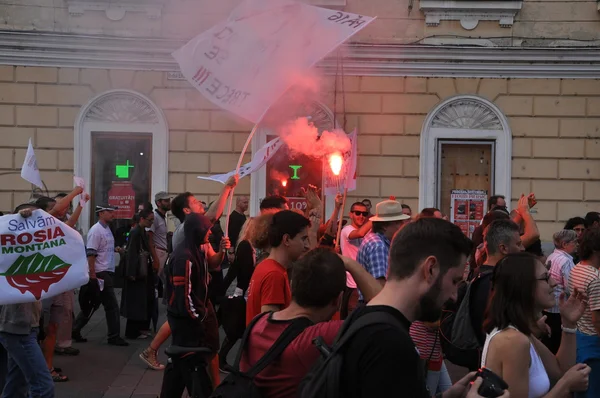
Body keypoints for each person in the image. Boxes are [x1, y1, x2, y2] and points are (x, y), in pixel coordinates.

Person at [337, 217, 501, 398]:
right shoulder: (388, 342)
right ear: (430, 269)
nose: (454, 296)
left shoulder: (366, 320)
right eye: (454, 281)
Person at [239, 248, 382, 398]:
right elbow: (384, 309)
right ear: (338, 300)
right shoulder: (315, 338)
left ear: (292, 284)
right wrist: (349, 263)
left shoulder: (257, 324)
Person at [482, 252, 591, 397]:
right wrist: (565, 385)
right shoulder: (514, 341)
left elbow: (560, 370)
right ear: (523, 286)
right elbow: (563, 377)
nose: (554, 282)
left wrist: (569, 323)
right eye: (545, 278)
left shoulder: (520, 331)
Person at [161, 213, 224, 398]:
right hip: (186, 323)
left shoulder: (196, 250)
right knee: (193, 365)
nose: (210, 232)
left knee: (180, 365)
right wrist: (200, 318)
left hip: (189, 320)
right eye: (207, 229)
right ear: (197, 231)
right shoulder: (184, 258)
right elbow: (184, 298)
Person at [0, 203, 54, 398]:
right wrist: (22, 218)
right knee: (43, 386)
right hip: (17, 328)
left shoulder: (34, 250)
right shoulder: (12, 250)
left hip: (27, 327)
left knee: (16, 385)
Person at [73, 205, 128, 346]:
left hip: (105, 271)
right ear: (101, 213)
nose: (112, 214)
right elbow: (91, 253)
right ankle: (114, 336)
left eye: (112, 212)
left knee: (93, 304)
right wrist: (92, 275)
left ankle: (75, 329)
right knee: (111, 306)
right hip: (100, 273)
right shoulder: (96, 231)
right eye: (109, 212)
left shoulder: (107, 229)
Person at [246, 210, 311, 325]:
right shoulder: (274, 274)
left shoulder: (266, 266)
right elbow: (269, 328)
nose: (307, 245)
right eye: (303, 239)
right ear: (286, 239)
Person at [356, 200, 410, 301]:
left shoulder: (374, 239)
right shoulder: (378, 246)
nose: (402, 225)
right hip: (375, 306)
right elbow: (380, 288)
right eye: (398, 222)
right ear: (385, 226)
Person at [568, 227, 600, 398]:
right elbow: (598, 320)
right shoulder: (595, 278)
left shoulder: (578, 267)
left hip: (580, 336)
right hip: (594, 342)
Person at [121, 209, 155, 339]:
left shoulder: (140, 231)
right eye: (149, 220)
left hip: (139, 271)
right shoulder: (136, 232)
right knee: (136, 301)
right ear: (142, 219)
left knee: (139, 301)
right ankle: (133, 331)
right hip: (136, 272)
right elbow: (131, 254)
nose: (151, 222)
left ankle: (138, 329)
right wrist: (131, 273)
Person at [543, 229, 579, 354]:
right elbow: (571, 287)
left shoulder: (552, 256)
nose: (577, 245)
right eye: (574, 242)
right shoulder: (566, 261)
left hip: (549, 307)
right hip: (559, 309)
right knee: (558, 344)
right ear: (565, 244)